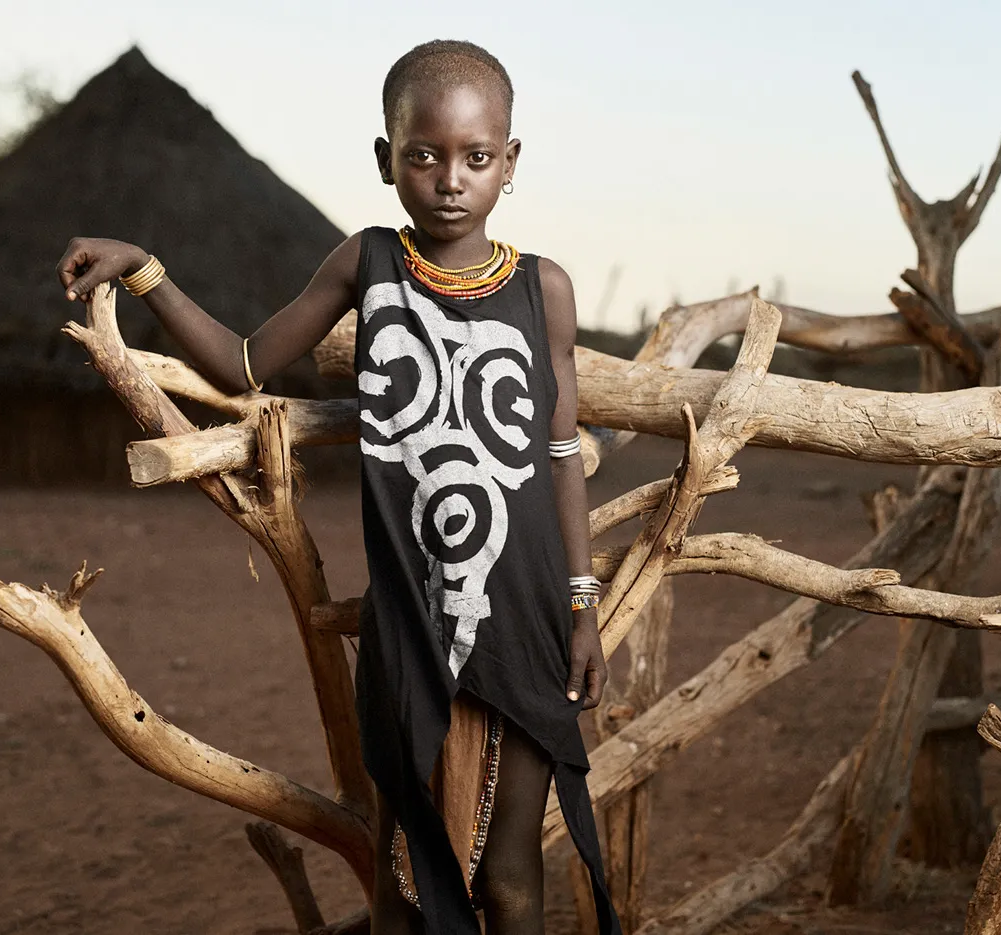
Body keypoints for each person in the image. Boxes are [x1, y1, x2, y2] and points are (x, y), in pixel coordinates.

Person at [55, 39, 619, 935]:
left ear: (510, 163)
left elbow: (557, 455)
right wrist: (145, 268)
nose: (448, 179)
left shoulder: (542, 289)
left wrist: (582, 604)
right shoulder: (366, 264)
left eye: (477, 157)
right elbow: (243, 364)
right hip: (404, 625)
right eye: (422, 155)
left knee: (512, 879)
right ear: (385, 159)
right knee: (402, 876)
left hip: (523, 619)